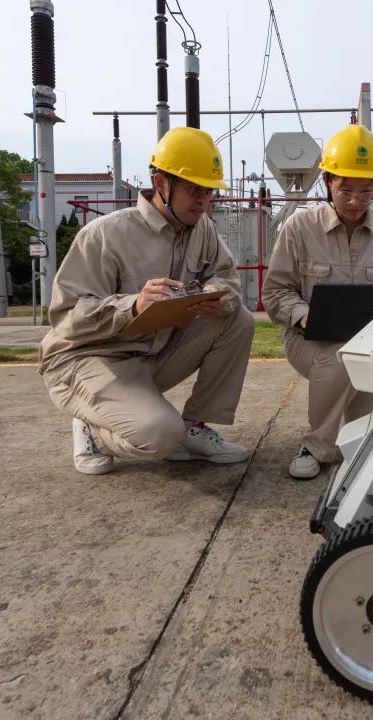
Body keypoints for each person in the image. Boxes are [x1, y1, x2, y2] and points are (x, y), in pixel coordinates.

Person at [39, 126, 255, 475]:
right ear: (161, 184)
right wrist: (133, 305)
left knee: (237, 318)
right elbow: (66, 318)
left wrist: (216, 295)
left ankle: (194, 427)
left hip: (150, 352)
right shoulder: (105, 235)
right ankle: (93, 428)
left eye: (209, 191)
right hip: (90, 359)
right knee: (160, 436)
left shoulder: (202, 230)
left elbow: (227, 278)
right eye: (193, 190)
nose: (203, 201)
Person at [261, 123, 373, 480]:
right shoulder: (299, 228)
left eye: (366, 192)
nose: (355, 201)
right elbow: (275, 292)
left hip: (372, 345)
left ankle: (356, 439)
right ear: (327, 182)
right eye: (345, 189)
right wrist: (303, 315)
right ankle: (317, 445)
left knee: (368, 437)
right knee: (339, 357)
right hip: (307, 340)